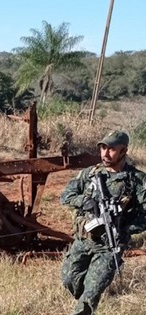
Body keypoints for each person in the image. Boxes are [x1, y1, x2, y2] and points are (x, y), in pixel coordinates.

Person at [60, 130, 146, 315]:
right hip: (83, 240)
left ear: (124, 151)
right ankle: (87, 296)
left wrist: (124, 227)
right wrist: (85, 201)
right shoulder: (90, 174)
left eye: (112, 149)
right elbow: (66, 196)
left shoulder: (136, 180)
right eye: (103, 148)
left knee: (90, 295)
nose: (105, 154)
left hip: (109, 247)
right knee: (69, 280)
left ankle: (87, 302)